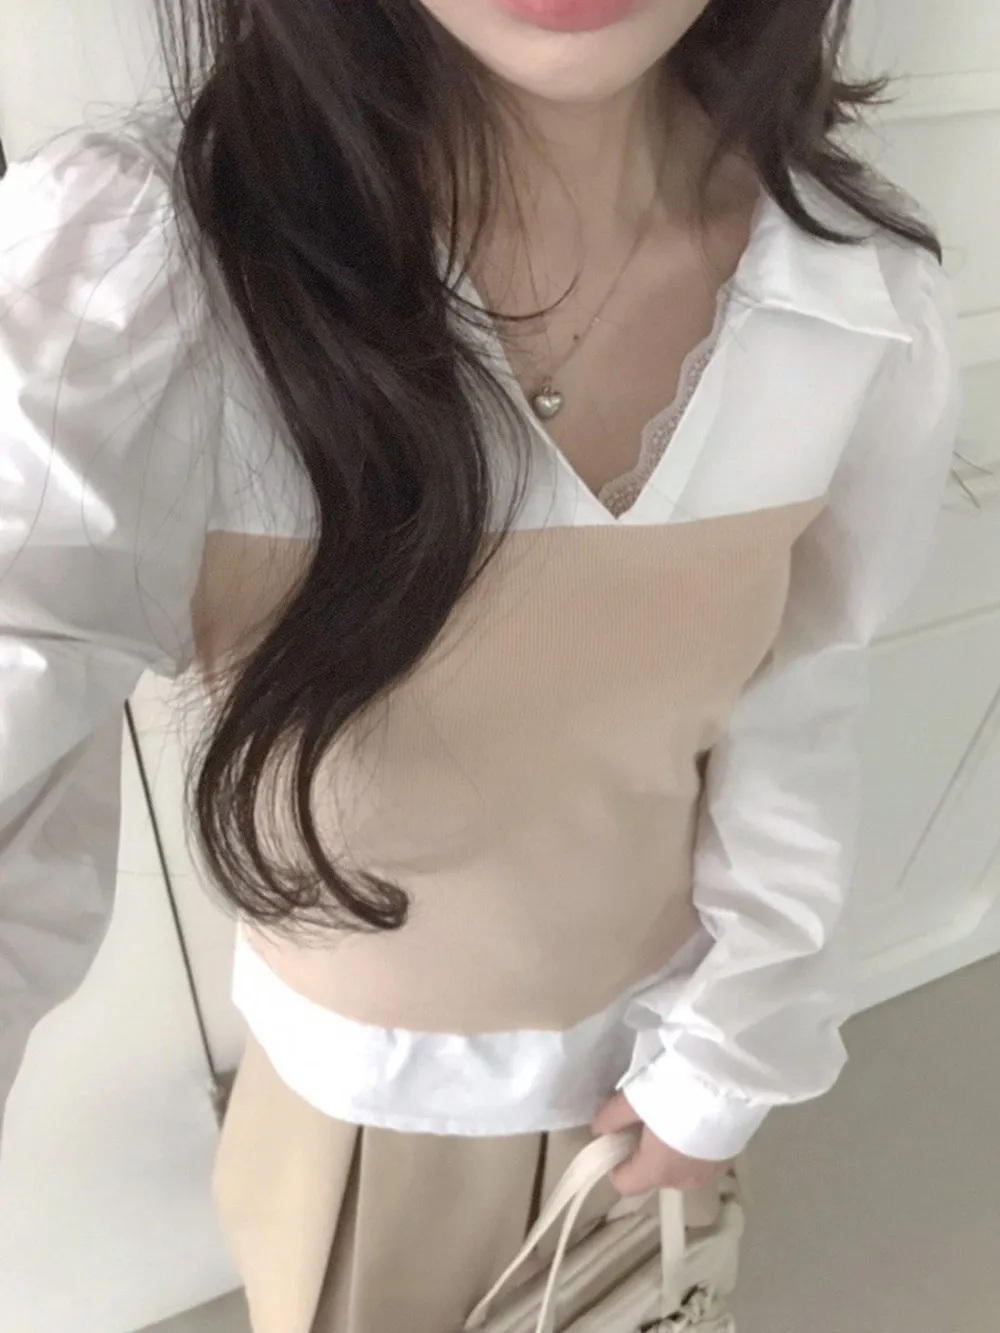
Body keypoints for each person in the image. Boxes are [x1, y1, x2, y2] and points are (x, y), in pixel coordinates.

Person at [0, 1, 961, 1330]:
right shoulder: (152, 277)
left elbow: (798, 694)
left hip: (660, 1074)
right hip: (366, 1133)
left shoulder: (849, 290)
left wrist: (729, 1057)